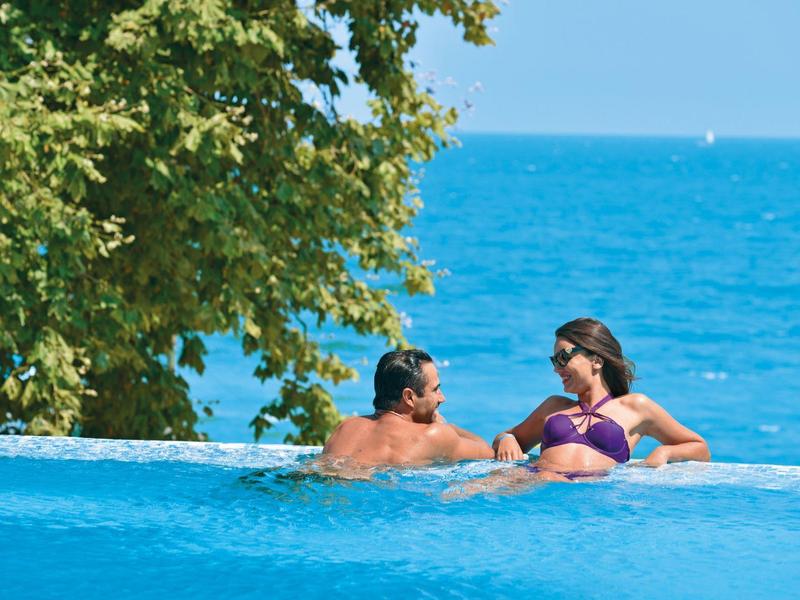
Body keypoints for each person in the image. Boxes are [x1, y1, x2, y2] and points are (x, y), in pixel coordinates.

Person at [493, 317, 710, 478]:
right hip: (535, 485)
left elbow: (699, 447)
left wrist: (664, 452)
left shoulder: (636, 407)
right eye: (554, 361)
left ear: (596, 360)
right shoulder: (553, 406)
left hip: (588, 495)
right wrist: (506, 439)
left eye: (563, 358)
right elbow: (508, 437)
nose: (557, 369)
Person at [322, 349, 494, 465]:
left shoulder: (346, 427)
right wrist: (447, 426)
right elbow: (487, 453)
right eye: (436, 390)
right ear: (409, 397)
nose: (442, 398)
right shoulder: (435, 435)